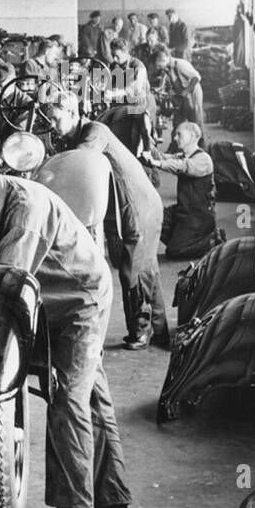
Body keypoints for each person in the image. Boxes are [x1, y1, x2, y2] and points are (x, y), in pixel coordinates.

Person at [0, 159, 131, 508]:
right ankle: (112, 502)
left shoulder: (26, 209)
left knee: (68, 399)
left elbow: (4, 282)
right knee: (90, 396)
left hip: (80, 301)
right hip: (47, 300)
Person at [46, 92, 169, 350]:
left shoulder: (95, 131)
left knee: (132, 271)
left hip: (138, 205)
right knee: (146, 268)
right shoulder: (75, 137)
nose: (52, 125)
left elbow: (78, 164)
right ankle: (160, 331)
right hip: (126, 207)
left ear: (72, 113)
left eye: (56, 119)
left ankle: (141, 331)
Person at [143, 121, 223, 259]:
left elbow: (183, 167)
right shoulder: (183, 156)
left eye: (179, 135)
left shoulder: (203, 159)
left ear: (192, 136)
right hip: (183, 210)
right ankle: (183, 239)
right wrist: (146, 141)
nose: (175, 138)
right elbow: (163, 157)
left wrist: (157, 164)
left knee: (175, 251)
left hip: (199, 216)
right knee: (151, 217)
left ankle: (211, 240)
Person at [149, 45, 204, 127]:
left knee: (195, 122)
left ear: (164, 59)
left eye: (159, 66)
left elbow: (197, 77)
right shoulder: (166, 68)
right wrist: (159, 89)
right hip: (181, 96)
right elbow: (163, 79)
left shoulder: (180, 64)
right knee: (178, 124)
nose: (158, 68)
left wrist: (186, 91)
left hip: (192, 93)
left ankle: (199, 135)